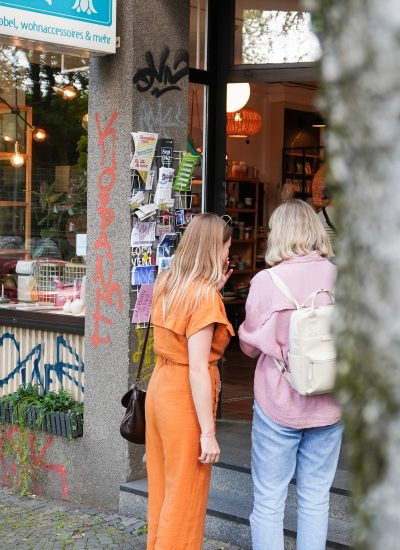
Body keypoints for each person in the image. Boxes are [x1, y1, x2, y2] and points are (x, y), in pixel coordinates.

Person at [238, 199, 342, 550]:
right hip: (330, 402)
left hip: (279, 401)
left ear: (278, 233)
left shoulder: (267, 281)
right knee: (316, 497)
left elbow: (250, 347)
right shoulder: (338, 275)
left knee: (269, 500)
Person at [145, 213, 234, 550]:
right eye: (226, 247)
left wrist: (213, 290)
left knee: (163, 490)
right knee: (185, 498)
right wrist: (208, 434)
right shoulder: (204, 297)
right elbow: (197, 368)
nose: (228, 255)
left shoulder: (166, 281)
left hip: (160, 388)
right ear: (214, 249)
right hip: (184, 397)